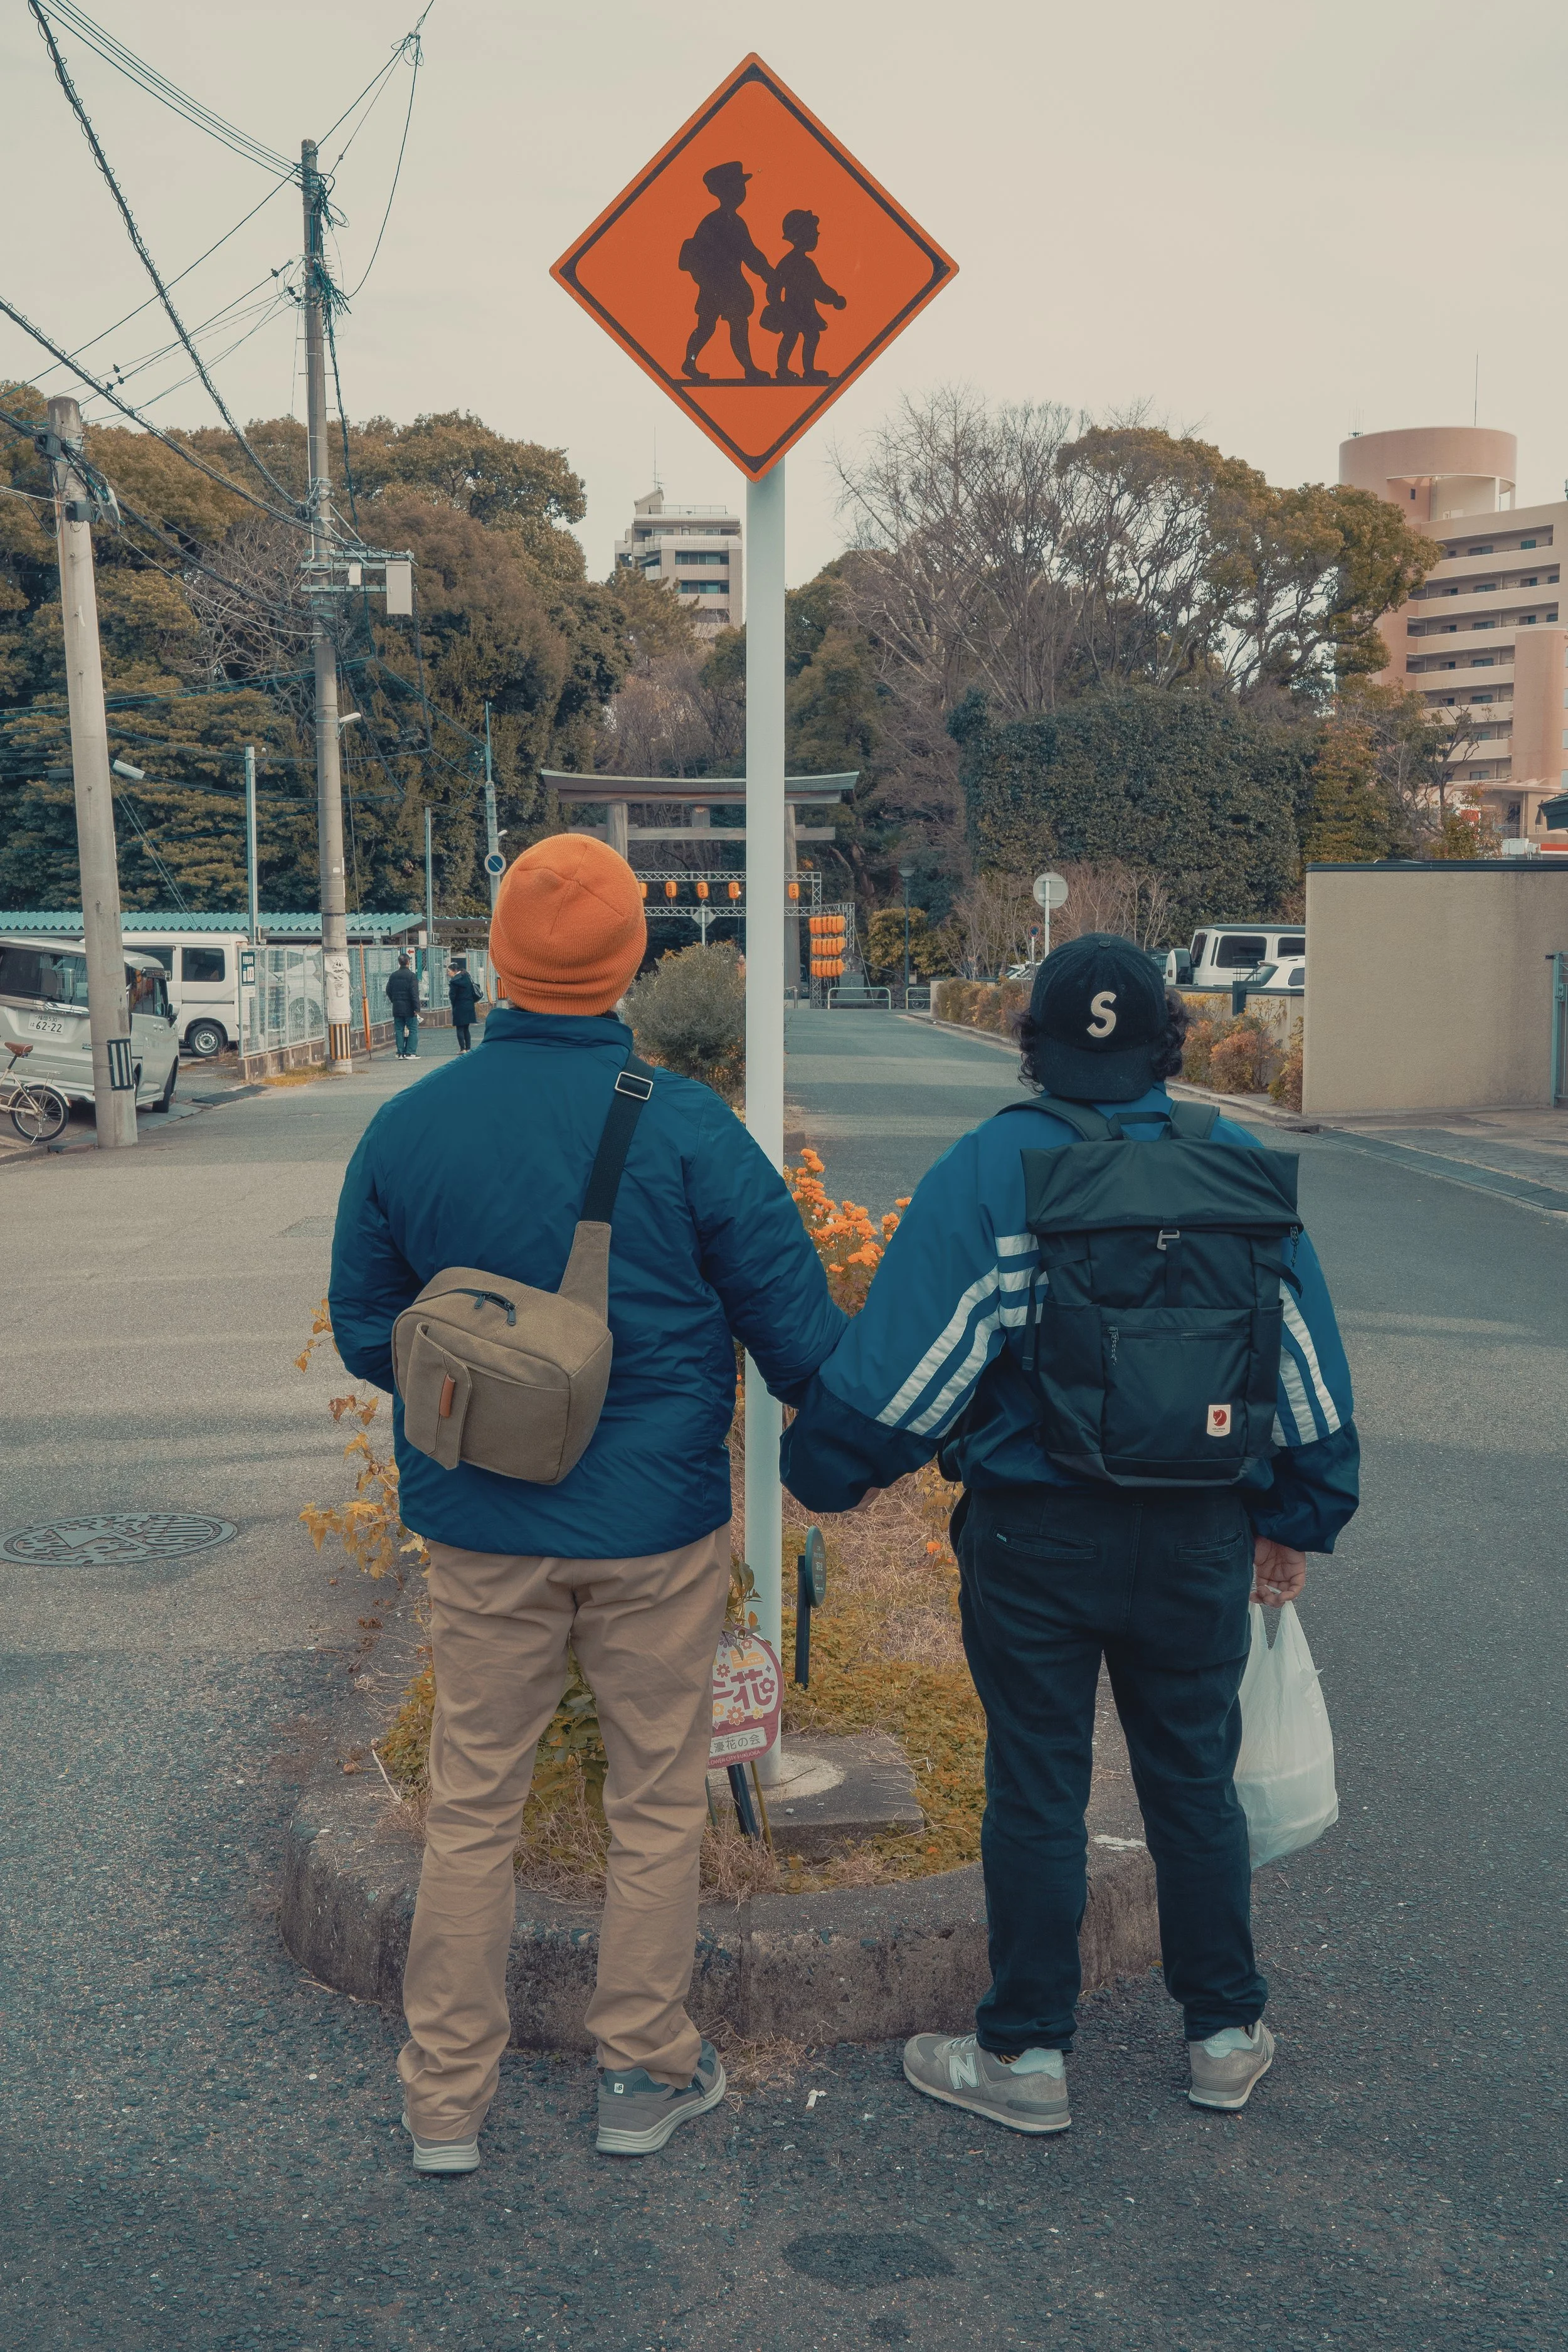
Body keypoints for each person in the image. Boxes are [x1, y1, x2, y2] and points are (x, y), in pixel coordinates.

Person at [781, 933, 1359, 2132]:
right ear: (1170, 1044)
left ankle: (1028, 2058)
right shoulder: (1235, 1164)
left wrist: (824, 1472)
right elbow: (1306, 1374)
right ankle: (1225, 2033)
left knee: (1038, 1787)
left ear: (1031, 1040)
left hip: (1035, 1541)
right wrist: (1297, 1514)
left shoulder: (996, 1169)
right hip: (1201, 1535)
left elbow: (912, 1379)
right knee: (1193, 1783)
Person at [330, 835, 843, 2175]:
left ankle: (444, 2103)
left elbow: (362, 1335)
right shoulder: (681, 1125)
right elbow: (802, 1346)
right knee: (657, 1799)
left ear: (496, 958)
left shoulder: (409, 1123)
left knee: (471, 1803)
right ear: (630, 963)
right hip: (654, 1527)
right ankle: (639, 2073)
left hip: (479, 1526)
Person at [679, 160, 773, 384]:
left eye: (742, 187)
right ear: (723, 191)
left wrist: (768, 273)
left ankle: (749, 368)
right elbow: (699, 256)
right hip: (715, 286)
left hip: (731, 286)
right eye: (736, 187)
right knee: (707, 327)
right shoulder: (713, 222)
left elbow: (750, 253)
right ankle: (690, 362)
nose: (741, 192)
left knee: (738, 324)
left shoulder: (736, 222)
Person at [764, 208, 846, 383]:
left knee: (812, 336)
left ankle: (809, 371)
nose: (817, 234)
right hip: (791, 310)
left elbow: (819, 288)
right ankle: (783, 369)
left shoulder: (807, 264)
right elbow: (774, 287)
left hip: (806, 310)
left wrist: (834, 298)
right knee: (792, 335)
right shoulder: (789, 262)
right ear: (801, 235)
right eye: (813, 231)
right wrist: (778, 307)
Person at [386, 953, 420, 1058]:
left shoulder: (393, 975)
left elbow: (388, 990)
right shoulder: (412, 976)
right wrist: (417, 1008)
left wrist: (394, 1000)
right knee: (413, 1029)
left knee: (399, 1030)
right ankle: (410, 1052)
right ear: (409, 962)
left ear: (399, 962)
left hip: (397, 1007)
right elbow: (414, 993)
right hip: (409, 1008)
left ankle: (400, 1052)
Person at [447, 956, 482, 1052]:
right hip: (469, 1005)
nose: (448, 973)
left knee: (460, 1028)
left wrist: (453, 1004)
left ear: (454, 971)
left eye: (449, 971)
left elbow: (452, 996)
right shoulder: (467, 976)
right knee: (466, 1028)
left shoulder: (454, 981)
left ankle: (462, 1049)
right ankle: (468, 1048)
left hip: (459, 1006)